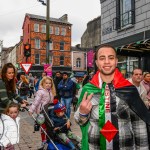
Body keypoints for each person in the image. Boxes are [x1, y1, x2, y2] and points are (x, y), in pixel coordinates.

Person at [74, 44, 150, 150]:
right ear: (96, 62)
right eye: (102, 58)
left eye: (111, 57)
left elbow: (139, 125)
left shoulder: (129, 90)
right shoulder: (87, 89)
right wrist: (82, 113)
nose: (106, 62)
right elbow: (79, 121)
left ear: (116, 61)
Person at [29, 76, 56, 146]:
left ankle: (48, 139)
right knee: (43, 127)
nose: (48, 84)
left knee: (48, 126)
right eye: (46, 83)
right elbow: (36, 102)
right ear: (43, 83)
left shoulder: (51, 92)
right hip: (41, 112)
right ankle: (43, 140)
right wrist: (31, 110)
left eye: (50, 83)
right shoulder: (40, 92)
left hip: (48, 112)